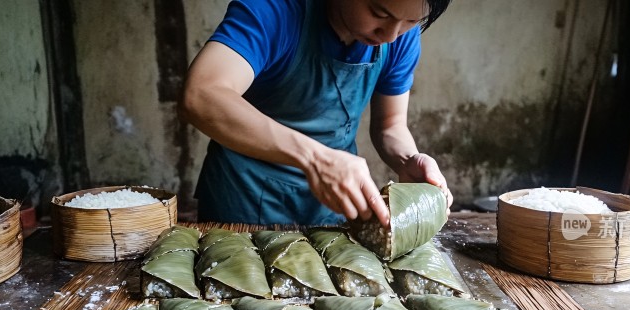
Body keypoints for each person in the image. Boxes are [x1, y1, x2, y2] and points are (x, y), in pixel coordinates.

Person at [180, 0, 454, 226]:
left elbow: (390, 126)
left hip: (331, 209)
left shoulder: (400, 38)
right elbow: (202, 94)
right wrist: (315, 159)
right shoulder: (274, 10)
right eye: (378, 12)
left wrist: (407, 159)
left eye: (411, 22)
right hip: (243, 204)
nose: (391, 35)